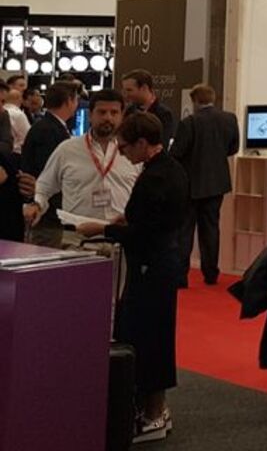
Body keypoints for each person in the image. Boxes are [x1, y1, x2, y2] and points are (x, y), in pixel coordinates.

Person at [77, 110, 189, 444]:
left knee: (149, 338)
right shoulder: (168, 168)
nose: (122, 153)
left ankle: (153, 413)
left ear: (142, 143)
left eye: (125, 147)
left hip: (152, 266)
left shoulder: (156, 177)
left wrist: (104, 229)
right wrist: (123, 223)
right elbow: (152, 221)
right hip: (158, 264)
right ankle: (152, 409)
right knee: (147, 335)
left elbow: (145, 233)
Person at [26, 88, 139, 246]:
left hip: (120, 239)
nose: (108, 117)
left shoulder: (134, 153)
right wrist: (37, 205)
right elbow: (44, 187)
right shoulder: (67, 149)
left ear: (122, 116)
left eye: (114, 113)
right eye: (102, 112)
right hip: (77, 238)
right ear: (90, 115)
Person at [170, 84, 239, 286]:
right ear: (213, 98)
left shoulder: (189, 122)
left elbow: (177, 153)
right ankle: (211, 274)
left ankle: (180, 276)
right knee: (211, 229)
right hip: (217, 183)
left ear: (194, 101)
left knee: (185, 231)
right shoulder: (230, 119)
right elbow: (233, 148)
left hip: (190, 184)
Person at [19, 79, 81, 246]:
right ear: (69, 101)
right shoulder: (49, 130)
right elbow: (48, 173)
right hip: (47, 213)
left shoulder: (50, 126)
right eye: (76, 100)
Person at [122, 70, 177, 147]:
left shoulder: (163, 114)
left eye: (129, 90)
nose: (126, 95)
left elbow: (162, 146)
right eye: (124, 90)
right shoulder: (129, 112)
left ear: (144, 88)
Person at [4, 72, 30, 151]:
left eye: (25, 86)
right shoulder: (16, 113)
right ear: (10, 86)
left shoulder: (25, 108)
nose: (24, 89)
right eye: (21, 85)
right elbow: (28, 137)